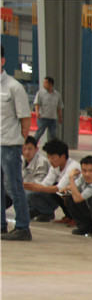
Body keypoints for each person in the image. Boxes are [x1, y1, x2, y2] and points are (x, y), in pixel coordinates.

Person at [1, 45, 33, 240]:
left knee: (14, 186)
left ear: (2, 61)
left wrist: (20, 140)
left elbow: (25, 118)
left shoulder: (14, 87)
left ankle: (22, 227)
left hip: (9, 145)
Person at [33, 76, 63, 144]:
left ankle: (54, 146)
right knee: (40, 132)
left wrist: (60, 116)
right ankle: (33, 144)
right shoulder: (40, 93)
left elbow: (59, 107)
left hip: (53, 118)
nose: (44, 84)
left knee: (53, 134)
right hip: (42, 117)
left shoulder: (57, 95)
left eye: (45, 83)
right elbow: (37, 104)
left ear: (50, 84)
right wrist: (37, 112)